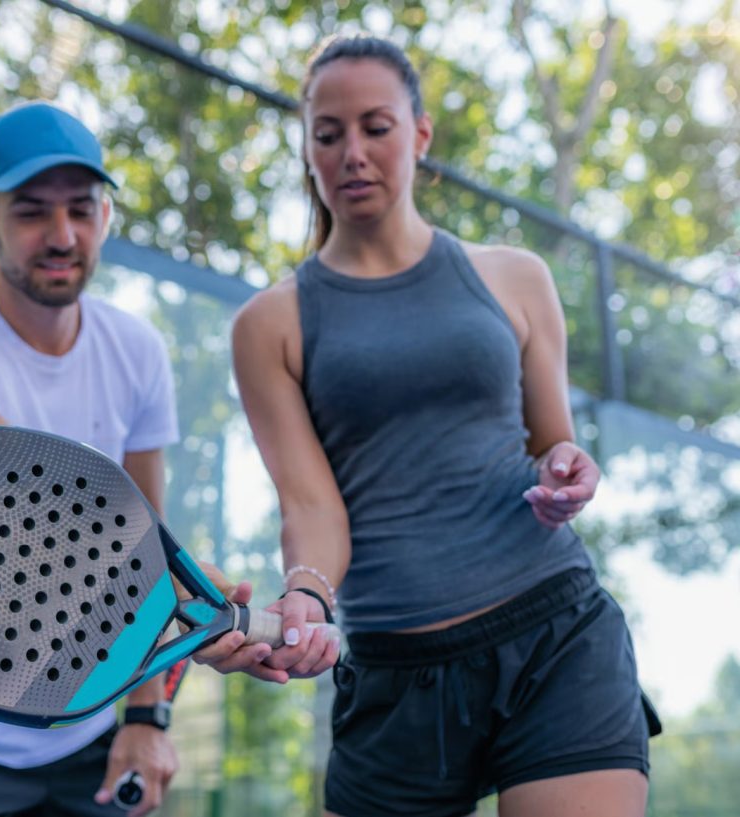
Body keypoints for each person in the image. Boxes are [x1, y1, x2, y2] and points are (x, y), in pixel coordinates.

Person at [230, 34, 660, 817]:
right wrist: (308, 597)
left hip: (554, 635)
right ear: (308, 148)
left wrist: (566, 471)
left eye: (376, 127)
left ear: (420, 134)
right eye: (328, 134)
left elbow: (551, 444)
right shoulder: (269, 324)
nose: (353, 153)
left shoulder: (517, 277)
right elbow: (312, 505)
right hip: (396, 675)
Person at [0, 102, 184, 817]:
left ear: (105, 216)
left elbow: (150, 532)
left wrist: (145, 715)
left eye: (82, 208)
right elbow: (22, 500)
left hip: (87, 724)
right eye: (31, 212)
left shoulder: (138, 350)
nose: (63, 235)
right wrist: (192, 595)